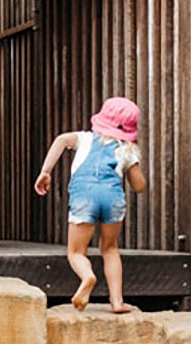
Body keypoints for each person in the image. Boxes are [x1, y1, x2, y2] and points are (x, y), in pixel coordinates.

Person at [34, 97, 146, 313]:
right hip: (112, 197)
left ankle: (87, 276)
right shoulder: (125, 149)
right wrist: (133, 164)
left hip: (84, 195)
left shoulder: (84, 138)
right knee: (110, 248)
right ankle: (117, 302)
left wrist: (46, 172)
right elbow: (139, 186)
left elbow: (60, 140)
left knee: (76, 252)